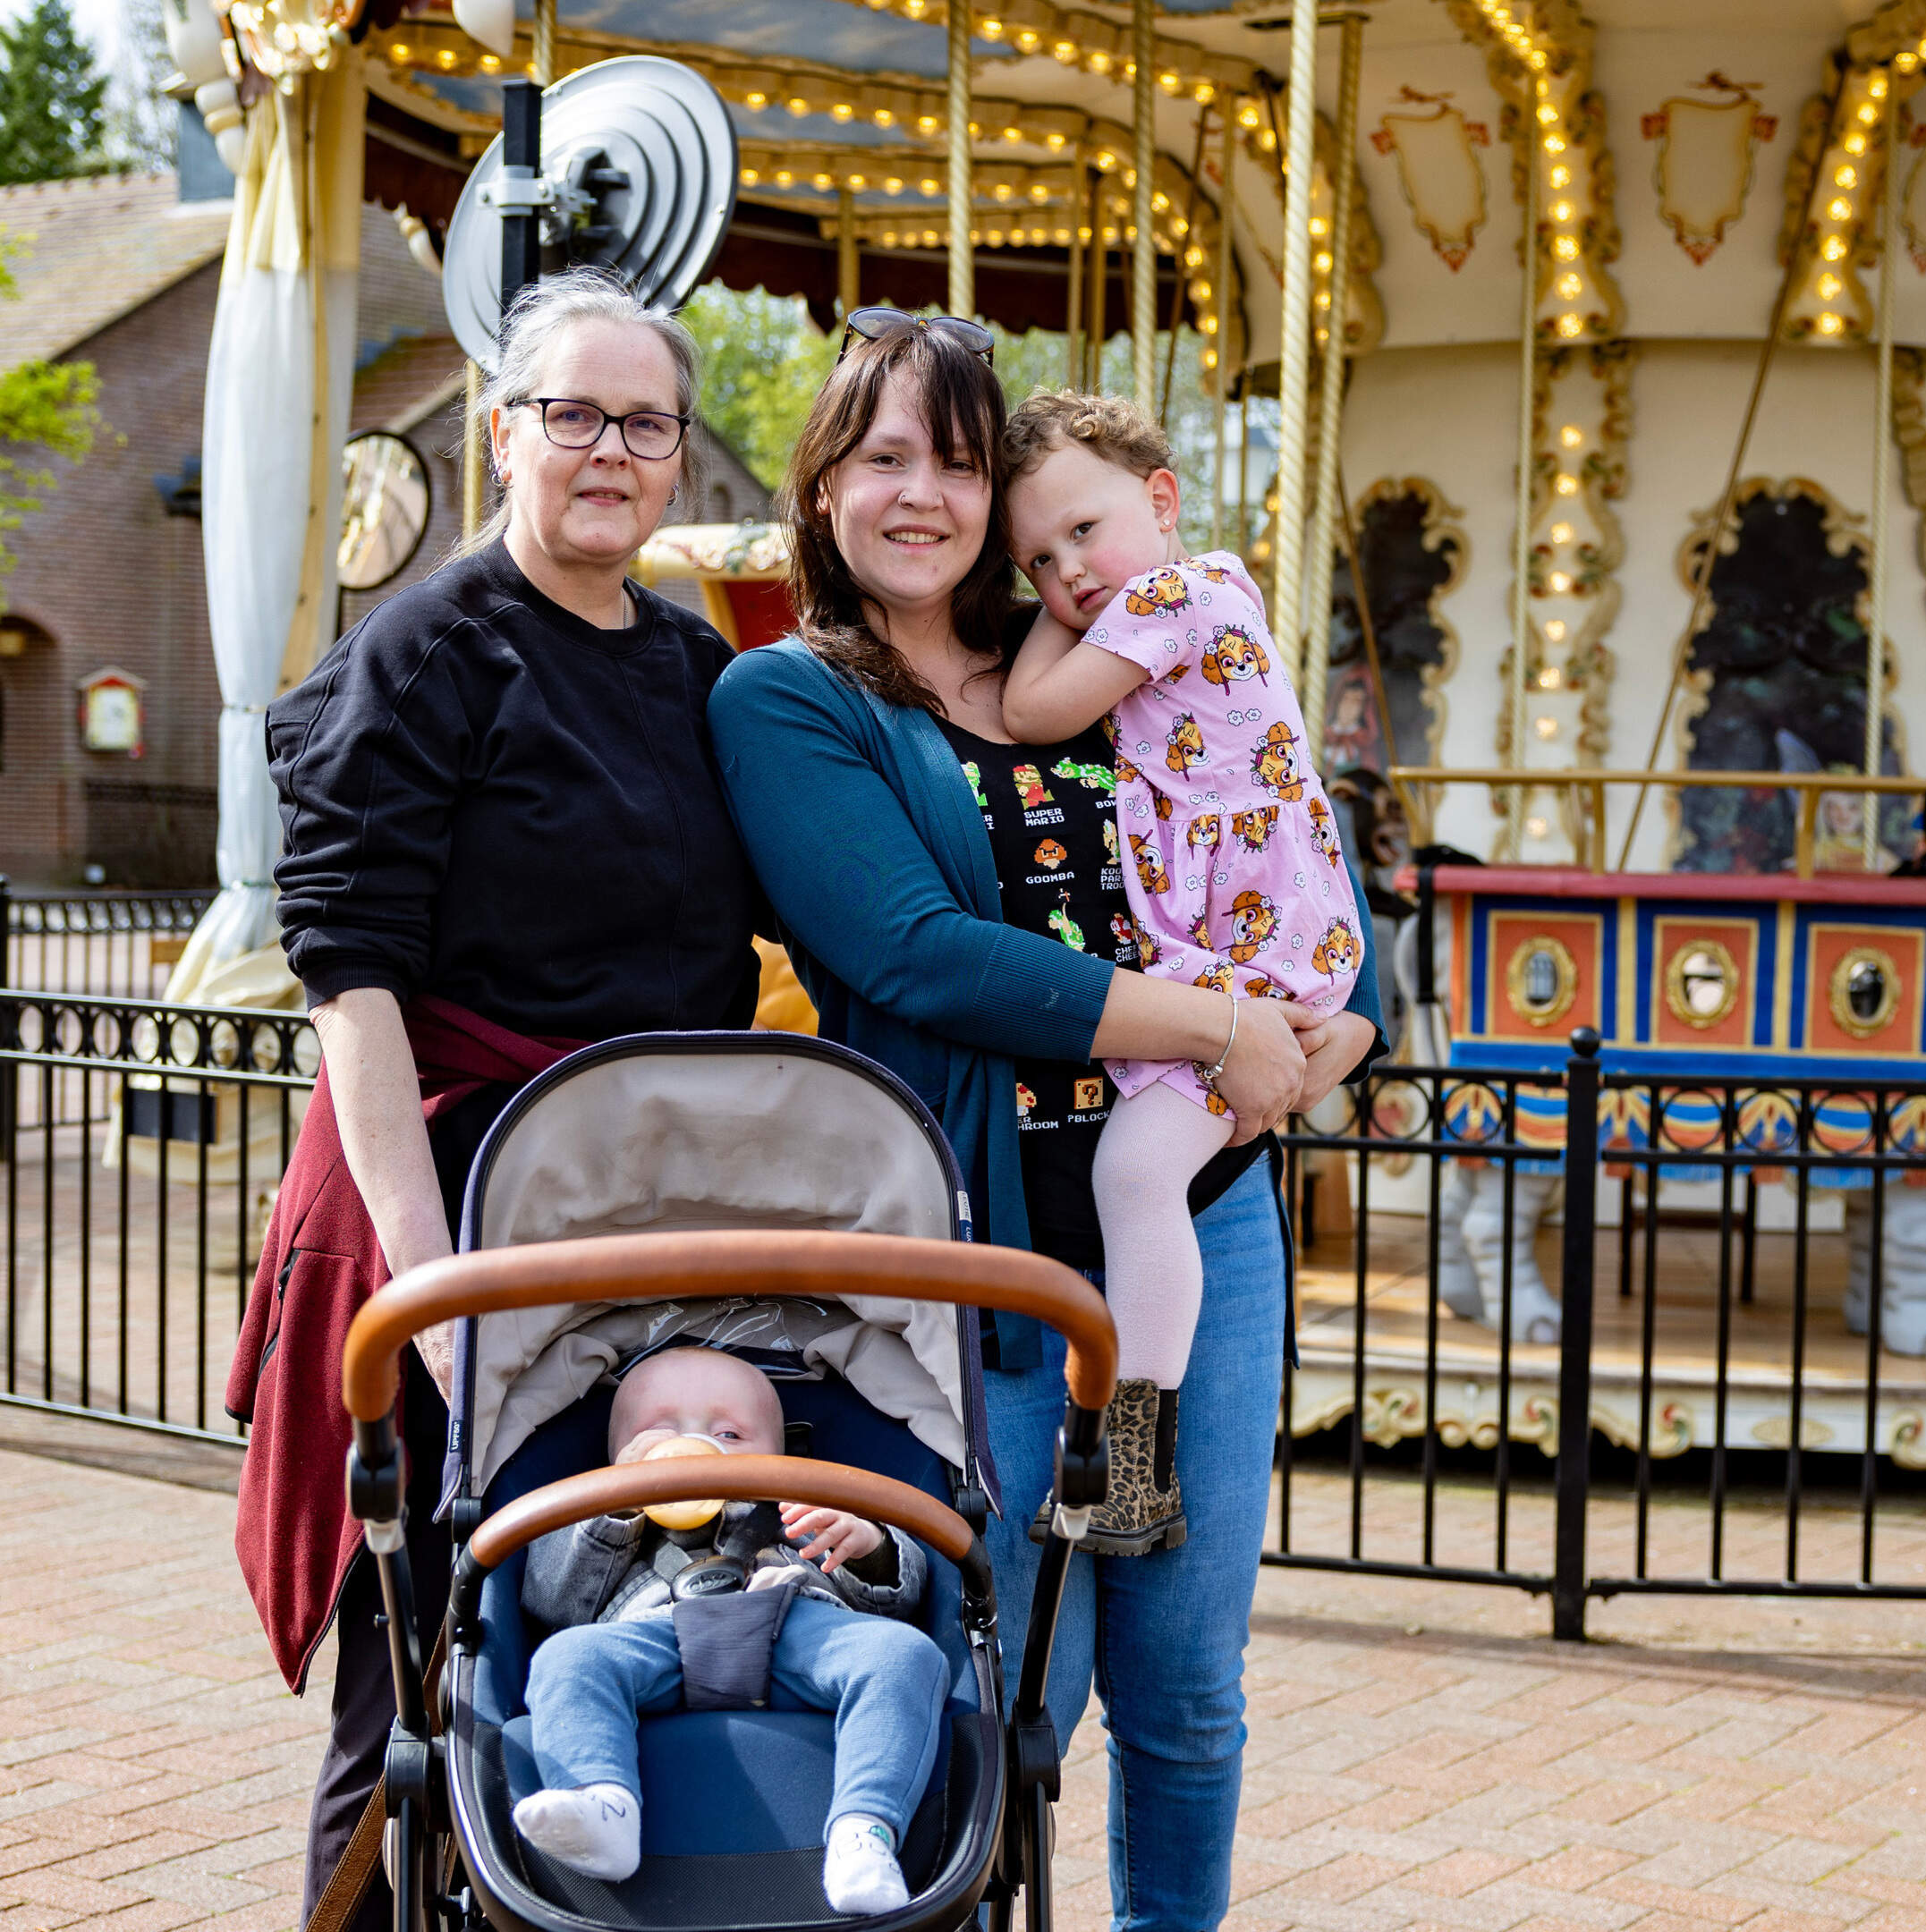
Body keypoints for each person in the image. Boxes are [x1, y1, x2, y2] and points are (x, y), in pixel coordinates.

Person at [706, 307, 1384, 1931]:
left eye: (954, 461)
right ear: (822, 490)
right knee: (1007, 1686)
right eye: (885, 460)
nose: (923, 497)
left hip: (1198, 1211)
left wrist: (1339, 1025)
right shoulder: (792, 701)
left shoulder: (1095, 648)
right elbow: (918, 956)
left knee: (1187, 1697)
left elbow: (1276, 819)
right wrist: (1228, 1026)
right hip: (985, 1252)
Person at [232, 268, 761, 1932]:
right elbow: (354, 981)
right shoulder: (426, 652)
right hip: (456, 1189)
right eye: (576, 415)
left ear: (678, 458)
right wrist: (425, 1280)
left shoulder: (688, 670)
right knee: (420, 1663)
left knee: (622, 1602)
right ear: (502, 432)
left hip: (621, 1199)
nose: (611, 450)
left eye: (647, 424)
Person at [993, 389, 1363, 1552]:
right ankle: (1123, 1457)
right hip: (1241, 943)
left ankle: (1124, 1462)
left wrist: (1057, 616)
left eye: (1082, 533)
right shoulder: (1201, 594)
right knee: (1142, 1178)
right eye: (1039, 562)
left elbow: (1029, 707)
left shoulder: (1172, 597)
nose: (1068, 577)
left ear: (1162, 501)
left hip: (1246, 954)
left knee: (1141, 1180)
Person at [513, 1347, 945, 1915]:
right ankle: (602, 1805)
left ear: (783, 1453)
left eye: (731, 1434)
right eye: (660, 1432)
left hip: (798, 1626)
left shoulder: (808, 1503)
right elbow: (553, 1599)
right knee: (564, 1658)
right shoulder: (602, 1517)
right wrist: (616, 1504)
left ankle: (865, 1833)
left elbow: (902, 1599)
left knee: (905, 1656)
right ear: (615, 1455)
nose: (702, 1448)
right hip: (653, 1634)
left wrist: (870, 1546)